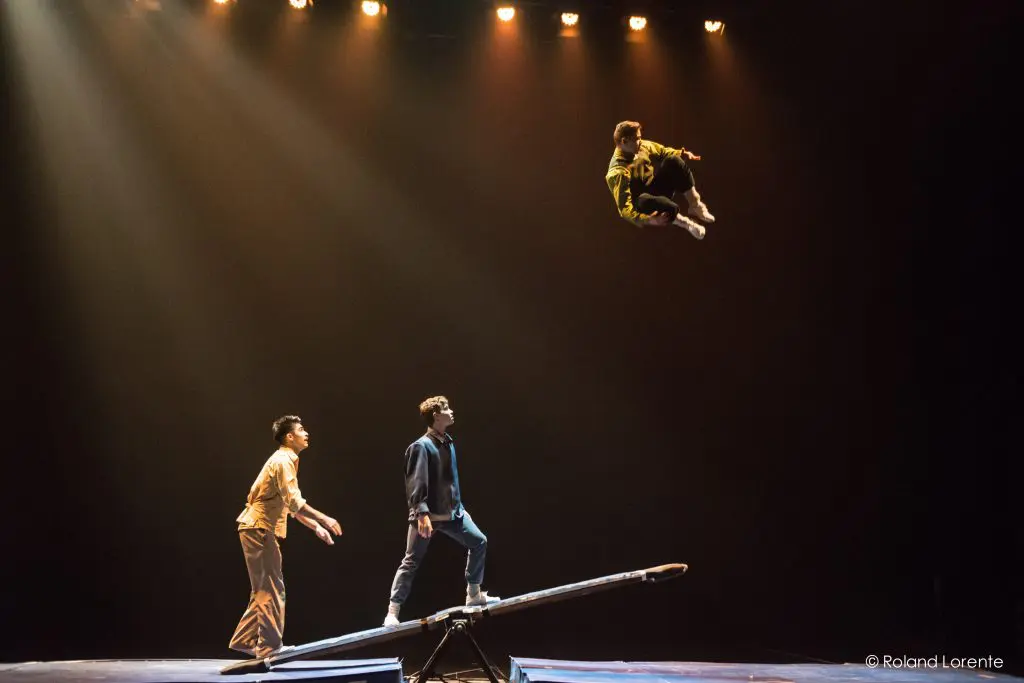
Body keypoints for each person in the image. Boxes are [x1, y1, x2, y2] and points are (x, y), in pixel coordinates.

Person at [229, 415, 342, 658]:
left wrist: (314, 527)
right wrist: (325, 519)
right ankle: (269, 646)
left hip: (256, 528)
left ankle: (244, 640)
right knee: (272, 588)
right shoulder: (283, 461)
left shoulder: (285, 460)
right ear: (289, 436)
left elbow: (289, 506)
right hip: (259, 528)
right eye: (302, 430)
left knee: (263, 588)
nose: (306, 433)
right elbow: (295, 502)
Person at [382, 396, 498, 627]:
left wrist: (461, 509)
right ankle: (392, 611)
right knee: (411, 561)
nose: (452, 411)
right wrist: (422, 514)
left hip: (452, 514)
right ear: (436, 415)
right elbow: (416, 482)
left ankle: (473, 593)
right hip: (427, 517)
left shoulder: (447, 442)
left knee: (479, 542)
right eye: (447, 409)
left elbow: (450, 482)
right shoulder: (420, 446)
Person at [605, 120, 715, 240]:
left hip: (654, 187)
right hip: (643, 202)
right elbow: (625, 209)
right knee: (669, 207)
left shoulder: (642, 146)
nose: (640, 142)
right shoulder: (617, 171)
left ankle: (695, 205)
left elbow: (663, 152)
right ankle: (687, 224)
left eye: (640, 137)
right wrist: (649, 220)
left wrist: (682, 154)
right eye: (636, 139)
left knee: (674, 160)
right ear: (624, 141)